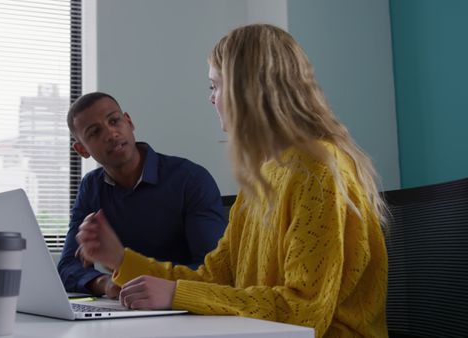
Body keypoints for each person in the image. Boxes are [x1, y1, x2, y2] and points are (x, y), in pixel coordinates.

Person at [75, 24, 389, 338]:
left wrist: (175, 294)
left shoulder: (317, 171)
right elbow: (216, 279)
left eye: (215, 86)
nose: (211, 99)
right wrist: (119, 259)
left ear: (247, 91)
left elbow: (304, 311)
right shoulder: (264, 175)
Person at [58, 91, 227, 298]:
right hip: (129, 309)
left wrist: (126, 267)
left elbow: (214, 272)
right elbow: (67, 267)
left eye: (114, 121)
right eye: (94, 132)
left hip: (186, 308)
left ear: (128, 122)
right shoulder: (91, 187)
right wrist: (104, 283)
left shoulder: (190, 179)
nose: (111, 134)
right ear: (81, 149)